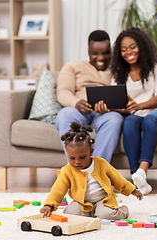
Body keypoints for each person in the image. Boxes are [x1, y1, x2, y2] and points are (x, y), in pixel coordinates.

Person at [96, 27, 157, 195]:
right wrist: (108, 107)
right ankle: (137, 179)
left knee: (149, 119)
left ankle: (142, 171)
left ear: (142, 45)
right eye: (123, 49)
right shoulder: (120, 72)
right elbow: (120, 103)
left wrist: (139, 105)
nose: (128, 52)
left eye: (132, 47)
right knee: (130, 121)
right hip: (135, 115)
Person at [40, 122, 143, 220]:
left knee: (106, 215)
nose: (77, 162)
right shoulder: (66, 171)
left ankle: (123, 211)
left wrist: (132, 190)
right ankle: (90, 212)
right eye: (72, 158)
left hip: (103, 200)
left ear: (91, 152)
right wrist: (49, 205)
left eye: (82, 157)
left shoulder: (101, 164)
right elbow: (57, 190)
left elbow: (117, 179)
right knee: (71, 215)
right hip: (81, 202)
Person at [56, 30, 124, 163]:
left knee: (115, 119)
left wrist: (110, 107)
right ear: (88, 51)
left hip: (105, 114)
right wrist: (76, 103)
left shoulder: (118, 70)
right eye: (95, 53)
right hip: (79, 111)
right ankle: (77, 168)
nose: (101, 58)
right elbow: (63, 91)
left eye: (105, 53)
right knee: (64, 115)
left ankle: (95, 172)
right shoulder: (73, 66)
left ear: (111, 51)